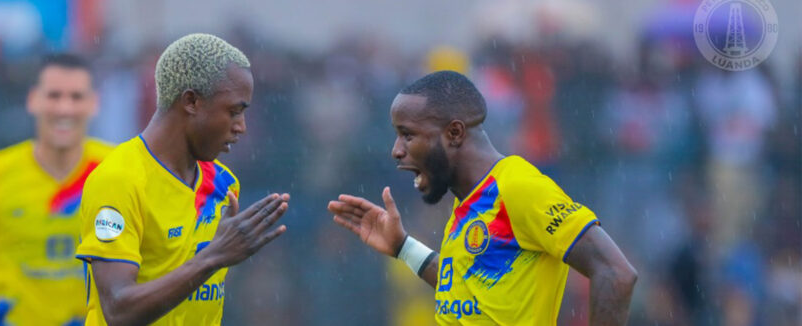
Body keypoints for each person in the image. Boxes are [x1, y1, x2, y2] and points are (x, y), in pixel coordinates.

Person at [328, 71, 637, 325]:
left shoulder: (516, 186)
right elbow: (467, 293)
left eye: (408, 135)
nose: (396, 150)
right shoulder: (468, 204)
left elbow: (616, 273)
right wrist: (403, 247)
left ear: (455, 133)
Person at [75, 33, 290, 326]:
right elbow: (118, 310)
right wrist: (213, 257)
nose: (241, 127)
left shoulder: (224, 184)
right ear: (191, 101)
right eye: (234, 111)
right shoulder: (119, 180)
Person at [0, 54, 112, 326]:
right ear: (33, 100)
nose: (65, 108)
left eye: (76, 97)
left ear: (94, 103)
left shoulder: (119, 172)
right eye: (54, 96)